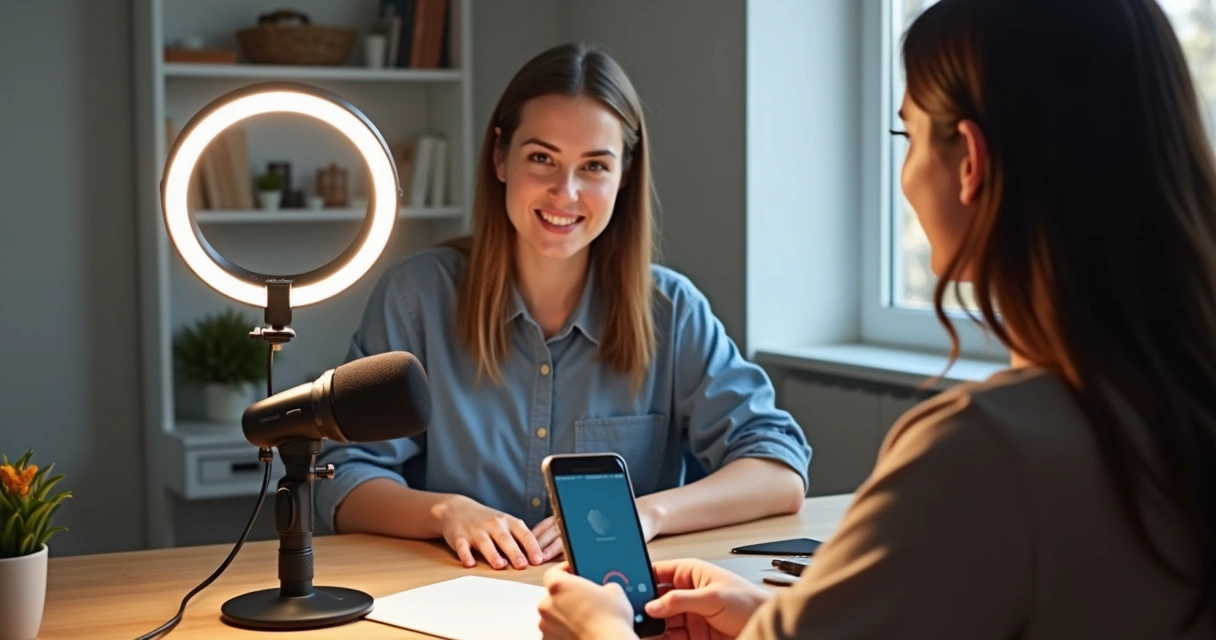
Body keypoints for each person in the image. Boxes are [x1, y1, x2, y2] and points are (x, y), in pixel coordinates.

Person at [537, 0, 1216, 637]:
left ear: (970, 164)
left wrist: (600, 629)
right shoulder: (1175, 403)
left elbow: (775, 458)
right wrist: (778, 619)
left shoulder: (984, 453)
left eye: (907, 132)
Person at [314, 42, 812, 572]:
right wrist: (445, 512)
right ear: (500, 157)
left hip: (614, 608)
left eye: (594, 165)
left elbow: (777, 470)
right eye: (542, 158)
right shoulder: (416, 297)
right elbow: (343, 477)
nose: (565, 192)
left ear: (624, 175)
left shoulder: (673, 310)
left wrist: (645, 514)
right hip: (451, 597)